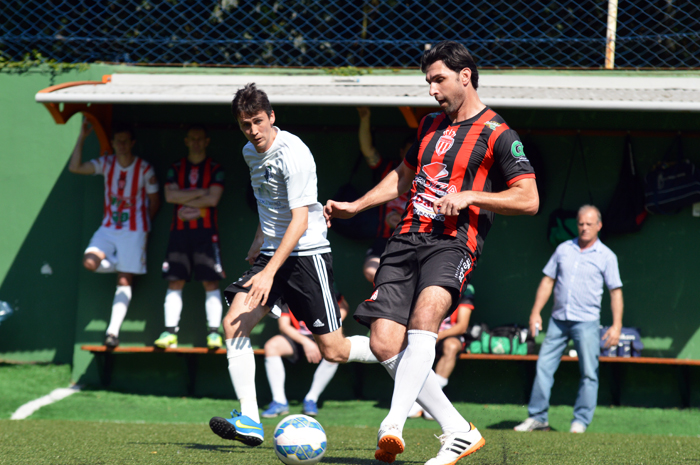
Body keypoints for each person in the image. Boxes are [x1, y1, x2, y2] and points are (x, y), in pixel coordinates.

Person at [324, 40, 539, 465]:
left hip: (454, 241)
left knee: (425, 322)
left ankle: (393, 425)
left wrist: (471, 196)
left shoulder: (498, 132)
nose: (432, 89)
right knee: (384, 343)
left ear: (465, 76)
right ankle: (458, 430)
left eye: (438, 79)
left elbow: (528, 198)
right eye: (428, 81)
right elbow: (402, 177)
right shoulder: (427, 126)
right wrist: (357, 205)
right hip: (405, 238)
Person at [208, 84, 377, 448]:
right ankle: (251, 420)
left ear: (272, 117)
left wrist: (269, 272)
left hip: (306, 254)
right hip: (272, 252)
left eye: (257, 121)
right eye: (244, 124)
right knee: (234, 323)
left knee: (335, 350)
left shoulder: (294, 154)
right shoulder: (249, 153)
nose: (252, 131)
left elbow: (299, 221)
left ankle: (396, 354)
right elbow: (268, 202)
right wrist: (258, 241)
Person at [515, 205, 623, 434]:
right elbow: (547, 281)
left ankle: (580, 422)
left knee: (589, 373)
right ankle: (537, 418)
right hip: (558, 320)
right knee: (543, 366)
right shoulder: (564, 249)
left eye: (589, 224)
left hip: (587, 323)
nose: (584, 228)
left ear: (599, 226)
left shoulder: (607, 256)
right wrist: (535, 312)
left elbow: (616, 292)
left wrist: (616, 325)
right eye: (581, 224)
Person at [68, 119, 160, 348]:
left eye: (125, 141)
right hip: (108, 228)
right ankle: (120, 262)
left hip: (135, 230)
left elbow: (154, 200)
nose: (121, 145)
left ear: (132, 143)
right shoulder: (106, 164)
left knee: (124, 279)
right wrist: (81, 138)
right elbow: (75, 167)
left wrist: (143, 226)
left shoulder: (144, 168)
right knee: (89, 262)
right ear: (113, 143)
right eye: (117, 141)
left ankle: (112, 333)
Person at [155, 126, 226, 350]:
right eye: (192, 139)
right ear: (186, 141)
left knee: (210, 281)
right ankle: (170, 334)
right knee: (174, 281)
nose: (196, 142)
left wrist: (183, 198)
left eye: (200, 139)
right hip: (179, 234)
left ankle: (214, 334)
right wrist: (201, 193)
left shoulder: (215, 168)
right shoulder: (176, 168)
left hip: (206, 234)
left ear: (206, 141)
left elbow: (214, 200)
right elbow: (169, 196)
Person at [261, 292, 349, 418]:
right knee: (272, 346)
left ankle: (311, 399)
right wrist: (306, 342)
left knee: (336, 349)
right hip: (298, 339)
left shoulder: (331, 295)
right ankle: (279, 401)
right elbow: (284, 326)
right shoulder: (288, 295)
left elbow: (336, 324)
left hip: (322, 337)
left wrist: (318, 341)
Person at [357, 107, 412, 283]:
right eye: (410, 152)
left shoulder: (432, 175)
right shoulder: (390, 169)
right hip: (385, 239)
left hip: (415, 240)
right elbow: (368, 151)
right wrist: (365, 118)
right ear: (402, 152)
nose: (414, 158)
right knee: (371, 270)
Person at [408, 284, 475, 420]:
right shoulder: (423, 283)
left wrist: (438, 335)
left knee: (451, 346)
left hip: (446, 335)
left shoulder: (466, 289)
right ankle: (416, 399)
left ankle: (432, 401)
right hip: (423, 331)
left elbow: (462, 326)